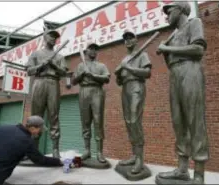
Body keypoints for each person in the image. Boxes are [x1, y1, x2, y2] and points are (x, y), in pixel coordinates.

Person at [156, 2, 209, 184]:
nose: (167, 16)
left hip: (190, 71)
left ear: (180, 10)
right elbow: (170, 61)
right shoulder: (173, 34)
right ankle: (182, 169)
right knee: (178, 123)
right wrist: (165, 52)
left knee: (195, 121)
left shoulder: (194, 23)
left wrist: (167, 48)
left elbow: (198, 50)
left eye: (169, 11)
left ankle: (199, 174)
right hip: (175, 74)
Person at [0, 116, 63, 185]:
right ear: (32, 128)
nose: (40, 132)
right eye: (39, 129)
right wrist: (58, 161)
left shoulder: (3, 128)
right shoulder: (27, 141)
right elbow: (40, 160)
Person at [26, 27, 68, 158]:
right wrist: (41, 65)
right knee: (35, 118)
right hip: (39, 82)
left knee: (54, 116)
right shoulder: (36, 54)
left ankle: (55, 150)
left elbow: (64, 72)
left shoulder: (60, 56)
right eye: (51, 36)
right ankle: (33, 150)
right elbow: (28, 71)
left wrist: (54, 65)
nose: (54, 39)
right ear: (44, 37)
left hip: (53, 83)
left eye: (55, 37)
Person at [114, 30, 152, 174]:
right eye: (125, 39)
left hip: (137, 86)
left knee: (135, 120)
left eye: (131, 38)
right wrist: (118, 75)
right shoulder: (124, 59)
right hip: (125, 87)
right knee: (129, 122)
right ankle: (134, 155)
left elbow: (147, 73)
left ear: (136, 40)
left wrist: (128, 67)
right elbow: (119, 81)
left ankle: (140, 160)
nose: (128, 41)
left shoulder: (142, 55)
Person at [72, 42, 110, 163]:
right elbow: (73, 81)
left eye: (95, 49)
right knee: (85, 122)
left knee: (98, 121)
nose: (93, 51)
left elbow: (107, 78)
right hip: (84, 91)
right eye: (91, 49)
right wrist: (82, 73)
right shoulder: (80, 66)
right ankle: (87, 150)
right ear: (86, 51)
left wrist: (92, 75)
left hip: (97, 91)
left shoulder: (101, 65)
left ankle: (99, 152)